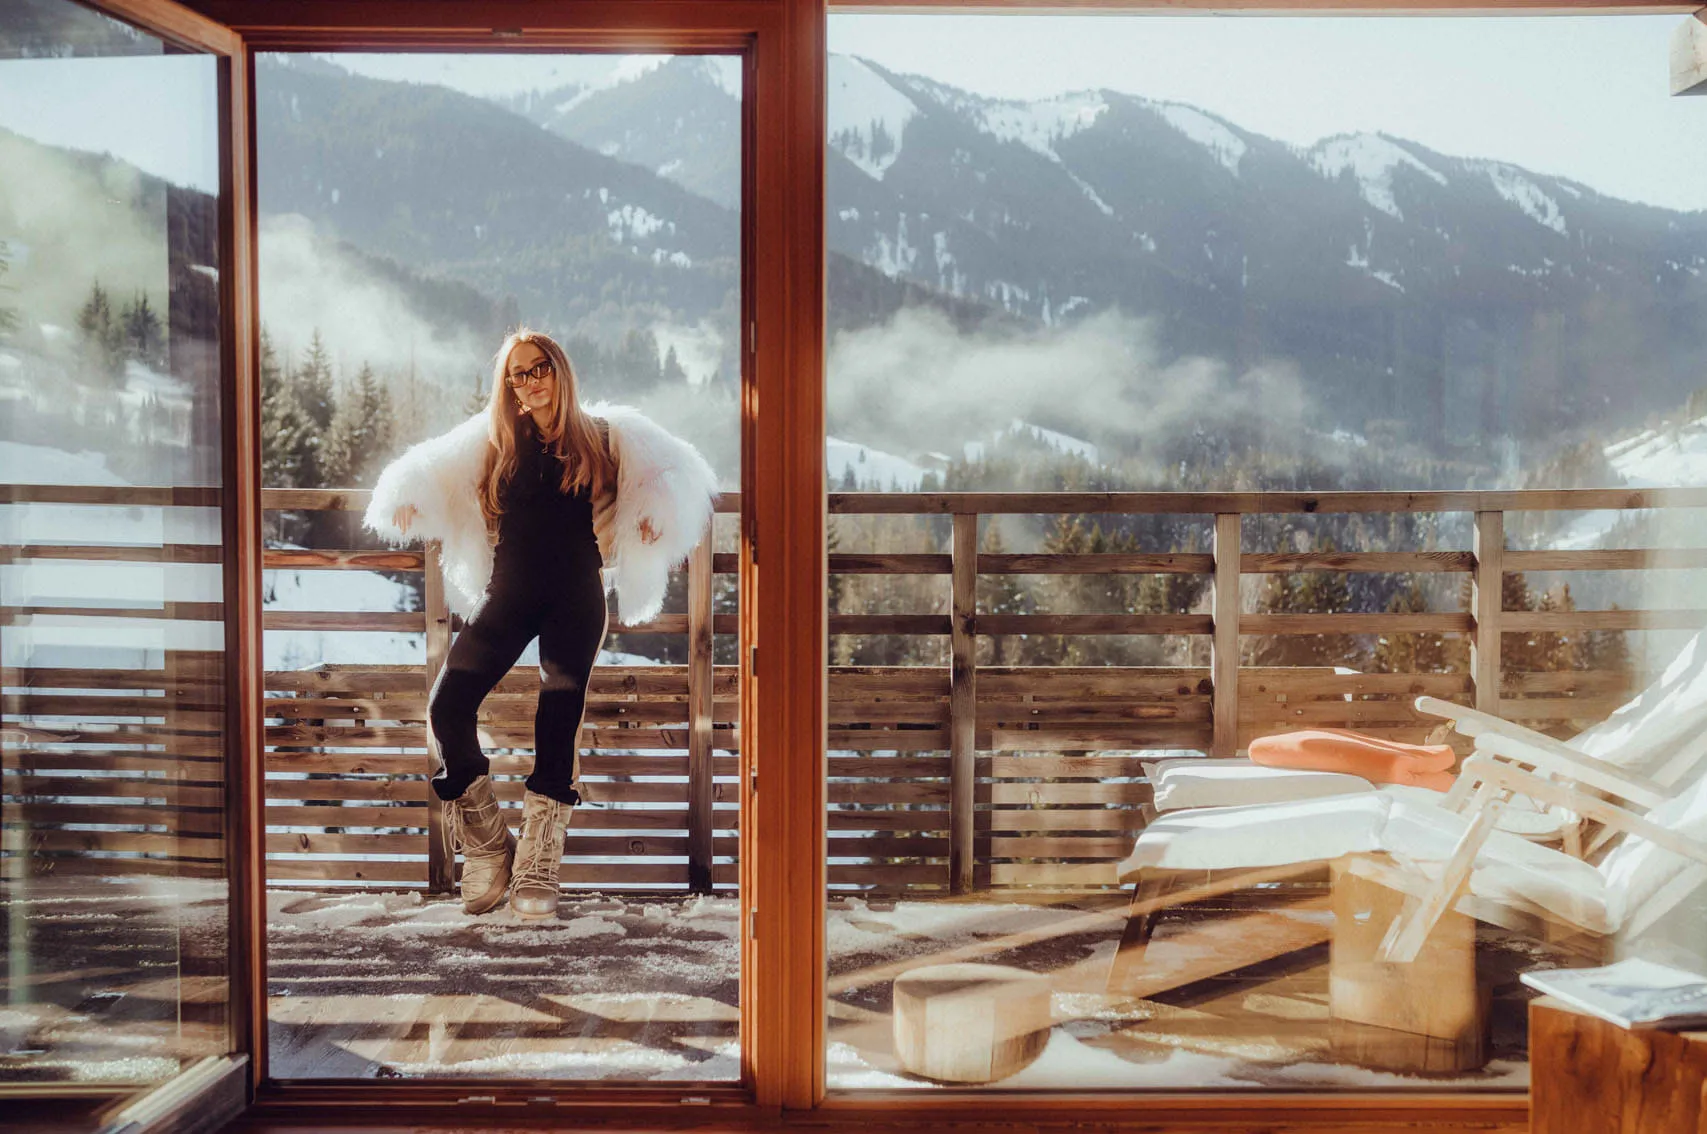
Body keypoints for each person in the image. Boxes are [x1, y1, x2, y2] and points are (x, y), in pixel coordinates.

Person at [363, 327, 718, 919]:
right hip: (509, 595)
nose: (530, 383)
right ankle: (488, 845)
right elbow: (437, 468)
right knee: (447, 705)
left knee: (559, 716)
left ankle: (539, 861)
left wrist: (652, 517)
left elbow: (672, 474)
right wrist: (412, 496)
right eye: (518, 374)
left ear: (560, 369)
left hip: (576, 597)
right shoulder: (497, 439)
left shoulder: (604, 435)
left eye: (540, 368)